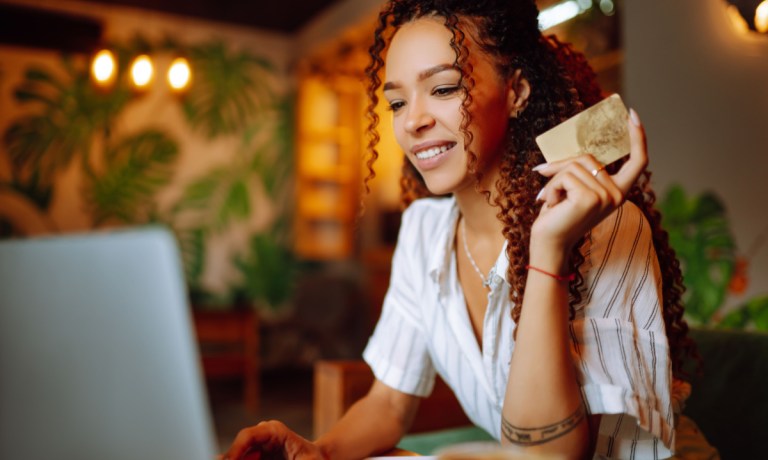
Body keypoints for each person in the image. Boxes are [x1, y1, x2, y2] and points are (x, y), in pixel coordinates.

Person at [223, 0, 710, 458]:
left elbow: (548, 455)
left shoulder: (604, 229)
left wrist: (548, 250)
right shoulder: (423, 231)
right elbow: (390, 403)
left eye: (443, 88)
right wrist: (320, 451)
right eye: (395, 103)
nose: (412, 120)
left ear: (516, 92)